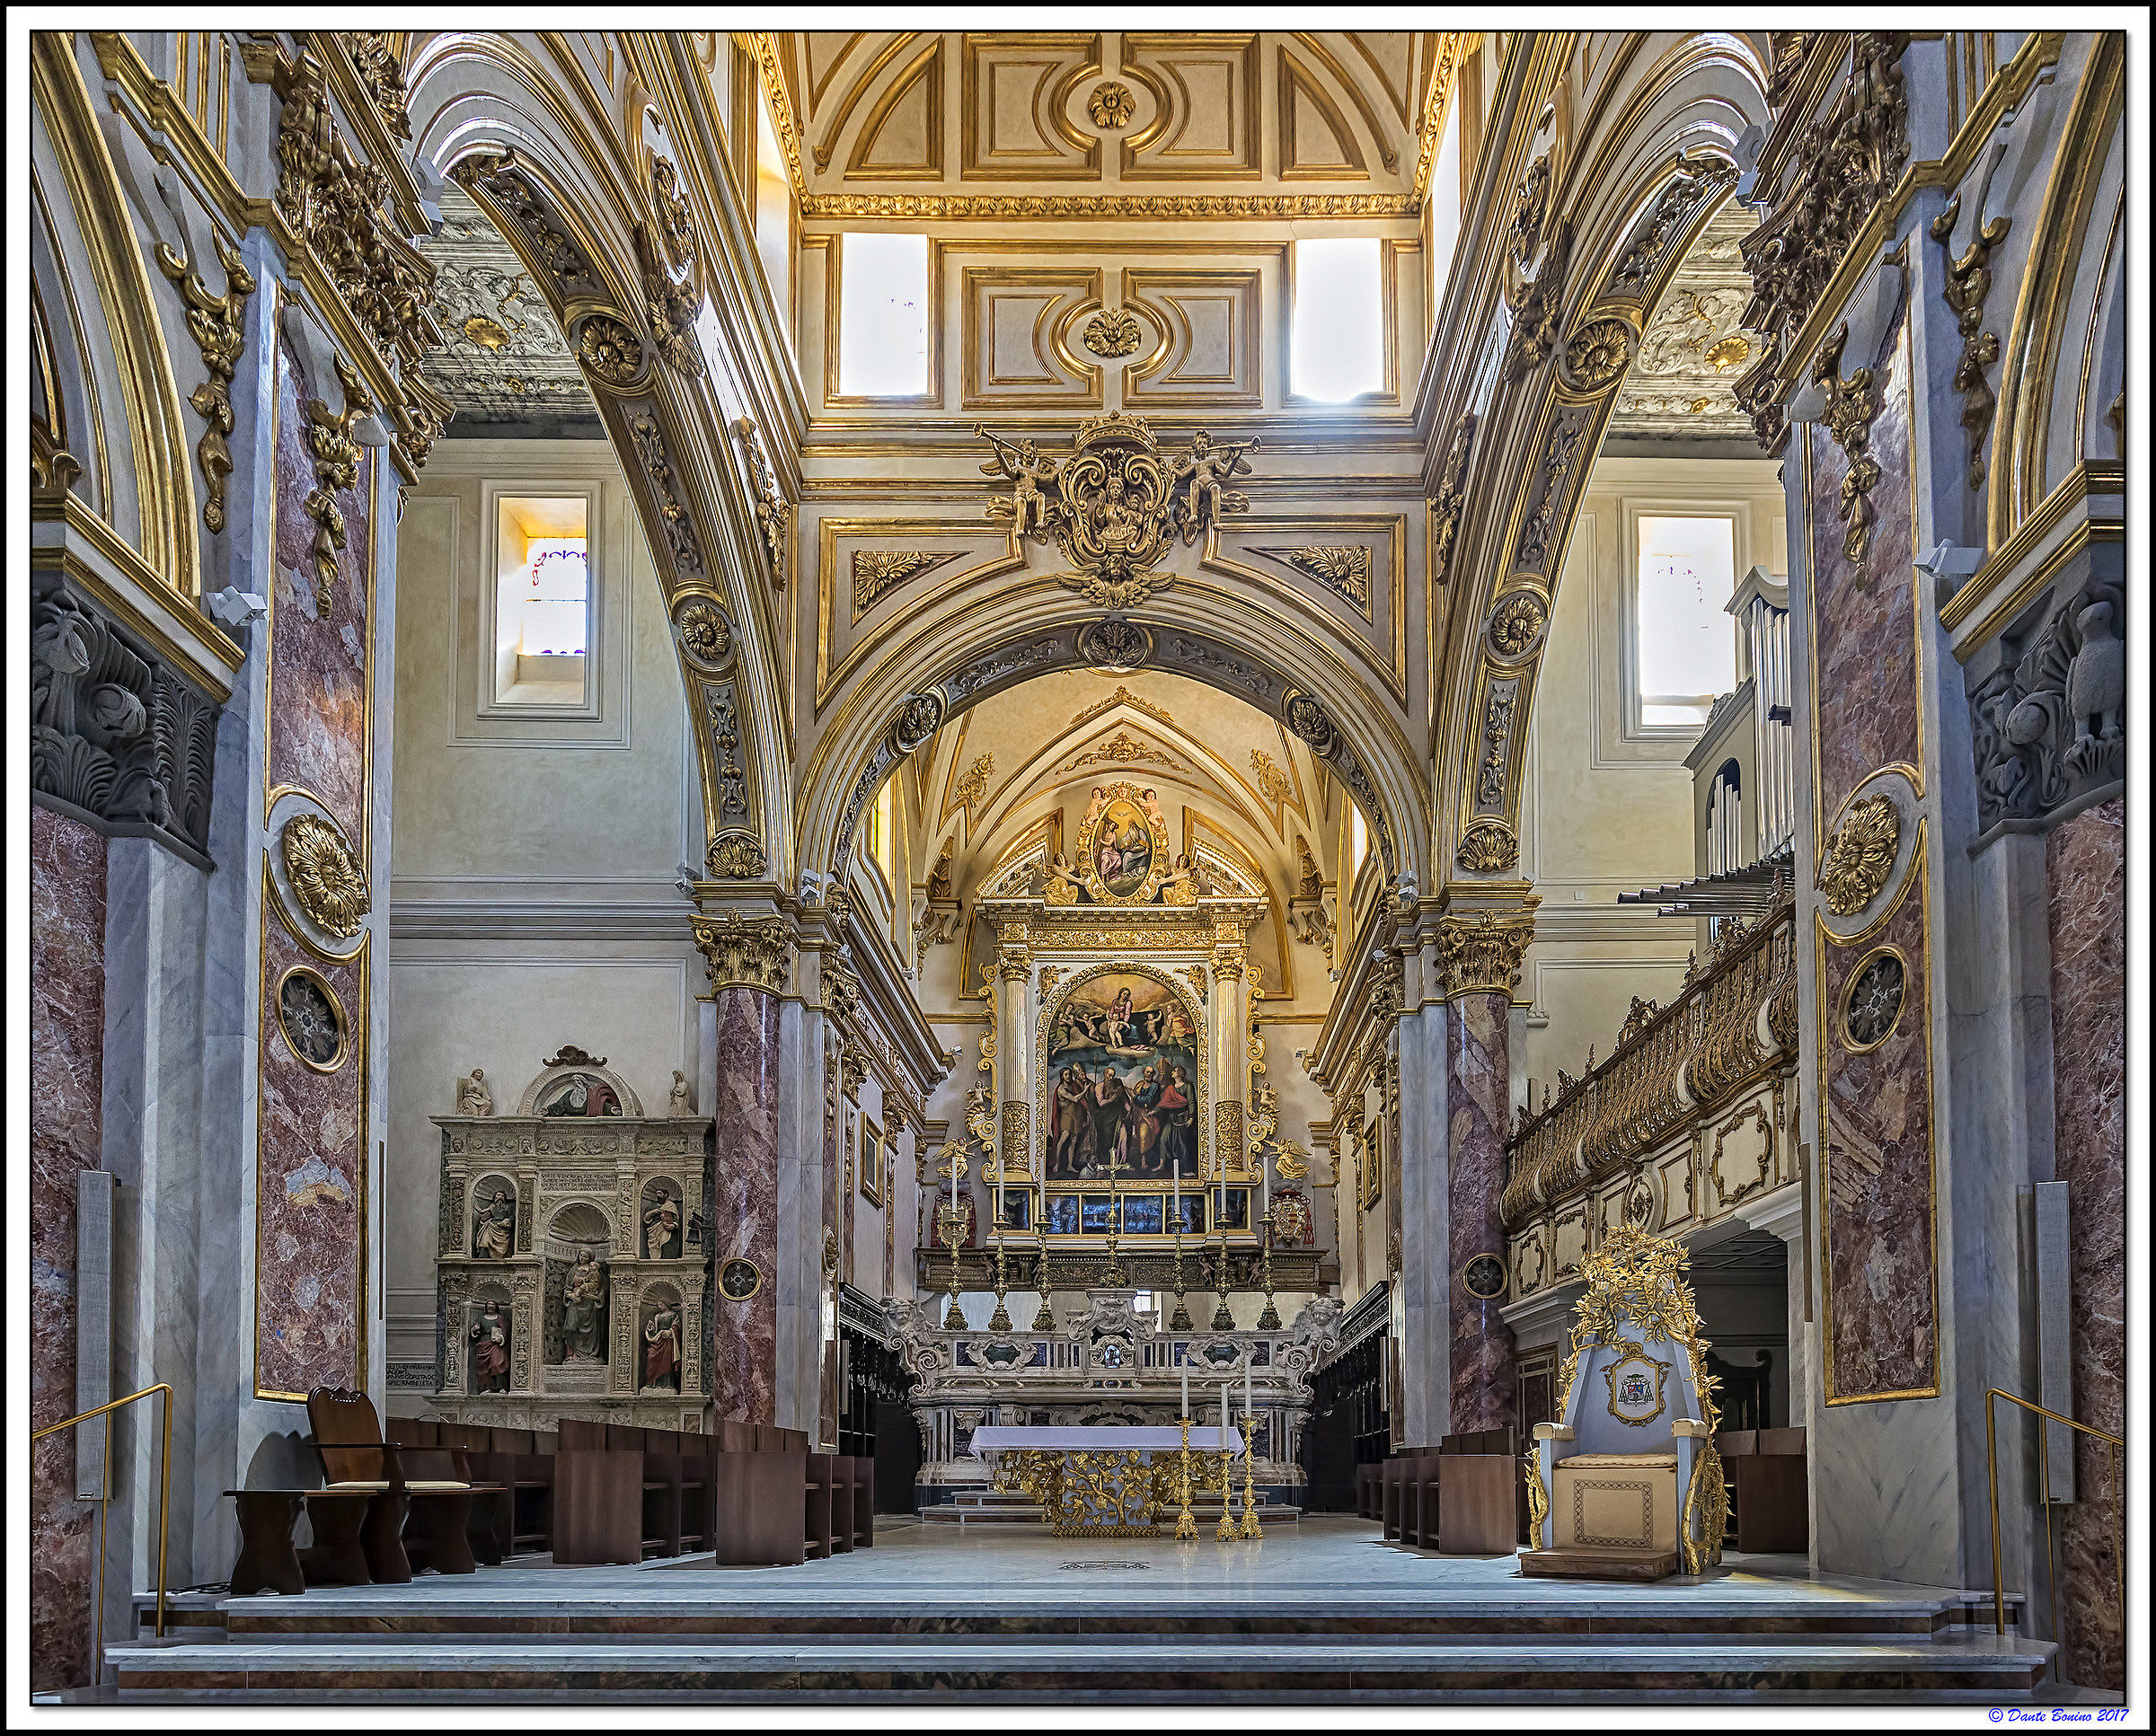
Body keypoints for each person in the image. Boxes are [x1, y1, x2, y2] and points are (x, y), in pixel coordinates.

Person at [561, 1249, 605, 1361]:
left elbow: (598, 1288)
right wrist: (571, 1296)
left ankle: (588, 1355)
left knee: (590, 1331)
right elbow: (567, 1288)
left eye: (585, 1257)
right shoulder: (574, 1270)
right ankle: (572, 1354)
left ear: (590, 1259)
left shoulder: (594, 1271)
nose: (582, 1258)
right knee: (570, 1327)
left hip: (589, 1303)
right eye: (581, 1255)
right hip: (575, 1302)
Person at [469, 1301, 510, 1393]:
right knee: (484, 1366)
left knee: (498, 1364)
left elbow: (505, 1330)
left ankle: (501, 1387)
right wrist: (474, 1329)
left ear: (496, 1306)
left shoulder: (500, 1318)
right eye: (489, 1304)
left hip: (496, 1345)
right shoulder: (481, 1318)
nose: (490, 1306)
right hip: (483, 1343)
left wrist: (501, 1338)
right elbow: (475, 1332)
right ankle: (487, 1388)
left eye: (492, 1304)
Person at [642, 1306, 681, 1392]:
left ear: (666, 1304)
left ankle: (667, 1384)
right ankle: (653, 1383)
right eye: (658, 1304)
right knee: (651, 1357)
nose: (659, 1306)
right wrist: (650, 1329)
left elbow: (677, 1327)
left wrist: (670, 1331)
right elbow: (655, 1331)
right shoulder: (657, 1316)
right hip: (657, 1340)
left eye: (661, 1304)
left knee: (666, 1361)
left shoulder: (673, 1315)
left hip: (667, 1341)